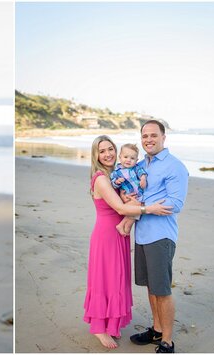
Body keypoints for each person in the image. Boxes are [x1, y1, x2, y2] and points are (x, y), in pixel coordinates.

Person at [85, 135, 173, 349]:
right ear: (96, 155)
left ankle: (110, 324)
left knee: (115, 280)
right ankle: (99, 328)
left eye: (110, 149)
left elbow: (130, 195)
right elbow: (122, 209)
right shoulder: (101, 178)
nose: (108, 154)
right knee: (104, 280)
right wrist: (148, 208)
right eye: (102, 151)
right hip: (106, 236)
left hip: (120, 236)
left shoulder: (116, 174)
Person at [129, 120, 189, 353]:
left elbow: (175, 203)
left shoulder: (175, 167)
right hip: (142, 234)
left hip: (161, 236)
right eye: (144, 136)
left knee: (162, 290)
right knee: (151, 287)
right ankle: (156, 329)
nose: (149, 140)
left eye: (153, 135)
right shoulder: (141, 164)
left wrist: (142, 205)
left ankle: (167, 341)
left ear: (164, 137)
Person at [110, 143, 148, 236]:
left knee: (133, 216)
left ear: (136, 160)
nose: (128, 160)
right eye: (126, 157)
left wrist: (143, 178)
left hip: (138, 195)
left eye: (132, 158)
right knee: (134, 214)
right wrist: (117, 182)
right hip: (129, 197)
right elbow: (113, 184)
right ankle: (125, 228)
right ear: (120, 157)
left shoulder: (136, 168)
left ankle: (123, 227)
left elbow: (141, 172)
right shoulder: (116, 172)